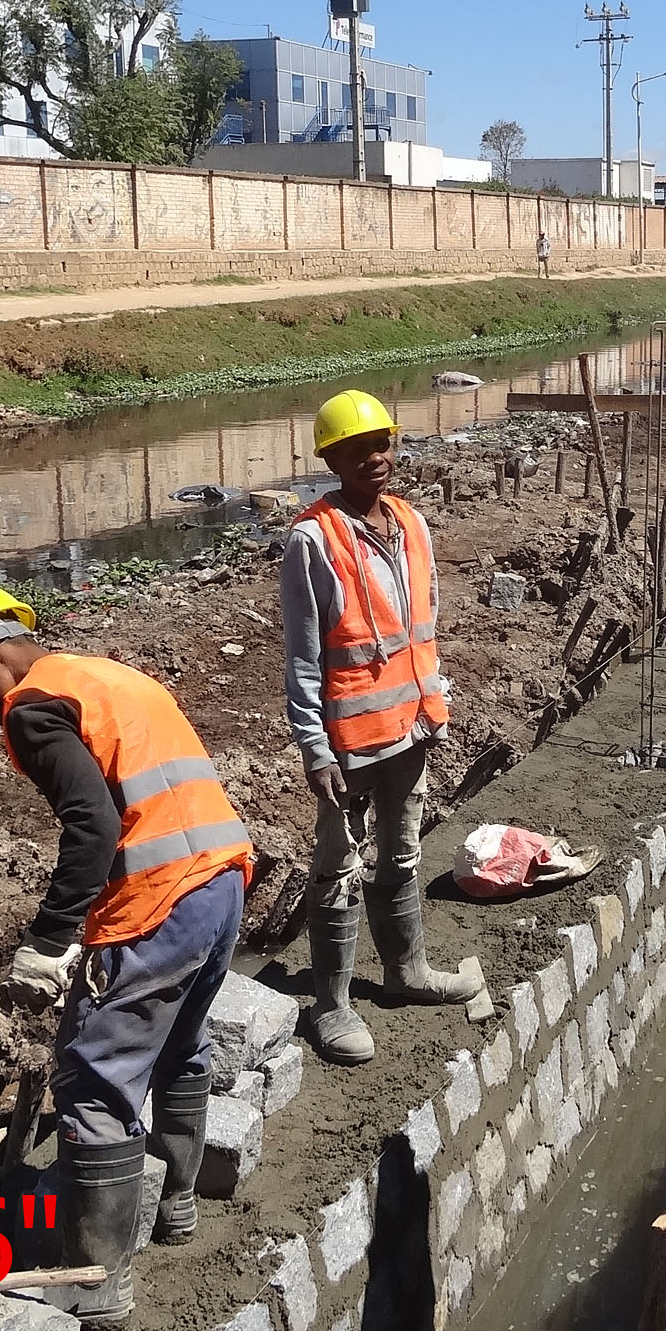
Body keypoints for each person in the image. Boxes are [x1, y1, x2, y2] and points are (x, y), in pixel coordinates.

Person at [0, 583, 252, 1330]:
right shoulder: (110, 676)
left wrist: (51, 939)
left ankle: (94, 1287)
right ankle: (174, 1207)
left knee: (95, 1081)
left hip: (158, 903)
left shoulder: (34, 705)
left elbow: (93, 825)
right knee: (179, 1048)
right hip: (224, 879)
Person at [281, 389, 484, 1064]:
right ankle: (331, 1005)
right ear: (331, 458)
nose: (377, 457)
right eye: (359, 449)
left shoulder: (411, 524)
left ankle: (406, 972)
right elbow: (304, 656)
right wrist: (315, 748)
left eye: (384, 444)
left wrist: (434, 708)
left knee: (401, 855)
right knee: (338, 868)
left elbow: (419, 632)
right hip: (346, 741)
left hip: (411, 727)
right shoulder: (314, 540)